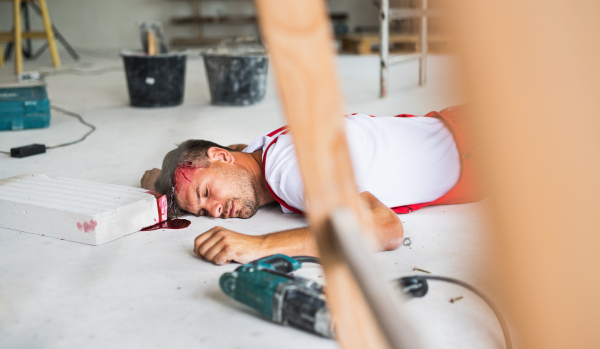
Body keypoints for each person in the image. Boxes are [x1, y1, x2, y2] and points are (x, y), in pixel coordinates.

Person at [141, 105, 482, 265]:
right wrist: (161, 179)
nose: (215, 211)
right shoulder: (256, 155)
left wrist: (257, 246)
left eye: (204, 193)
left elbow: (385, 228)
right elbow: (235, 146)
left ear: (221, 156)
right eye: (202, 211)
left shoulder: (293, 174)